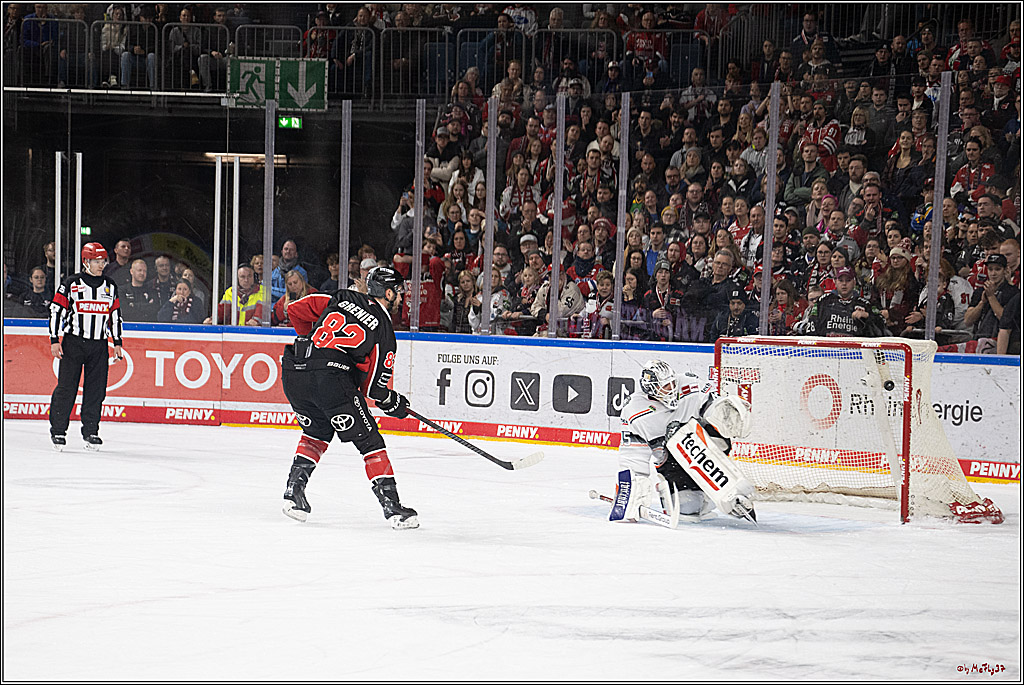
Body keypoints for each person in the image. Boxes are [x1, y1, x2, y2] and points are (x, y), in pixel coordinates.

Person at [278, 266, 418, 529]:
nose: (401, 298)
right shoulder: (385, 331)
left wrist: (313, 345)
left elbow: (295, 309)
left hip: (295, 370)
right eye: (398, 293)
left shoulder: (340, 297)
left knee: (317, 432)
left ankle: (293, 493)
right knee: (370, 442)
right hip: (330, 379)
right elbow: (374, 391)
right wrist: (395, 403)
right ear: (388, 293)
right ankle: (393, 508)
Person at [613, 359, 756, 523]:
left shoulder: (690, 384)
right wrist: (628, 496)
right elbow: (632, 457)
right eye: (666, 386)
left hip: (706, 448)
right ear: (650, 388)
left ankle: (727, 488)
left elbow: (712, 406)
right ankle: (690, 494)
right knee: (688, 510)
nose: (672, 389)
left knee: (698, 431)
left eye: (673, 383)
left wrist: (725, 411)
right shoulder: (633, 410)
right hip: (672, 463)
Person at [48, 242, 124, 451]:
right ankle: (58, 431)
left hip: (99, 345)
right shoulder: (72, 283)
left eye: (103, 261)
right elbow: (56, 310)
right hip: (73, 343)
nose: (101, 265)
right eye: (97, 261)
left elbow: (115, 316)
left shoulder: (110, 285)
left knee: (96, 390)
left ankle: (91, 431)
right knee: (66, 388)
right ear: (86, 262)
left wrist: (117, 342)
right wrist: (55, 339)